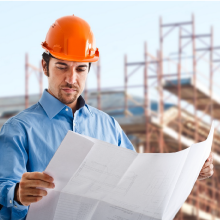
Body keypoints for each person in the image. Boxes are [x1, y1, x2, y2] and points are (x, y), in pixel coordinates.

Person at [0, 15, 214, 220]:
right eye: (62, 66)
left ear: (88, 70)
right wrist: (17, 194)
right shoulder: (18, 129)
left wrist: (187, 174)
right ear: (45, 66)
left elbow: (138, 182)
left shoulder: (107, 125)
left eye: (80, 69)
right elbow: (3, 190)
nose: (71, 79)